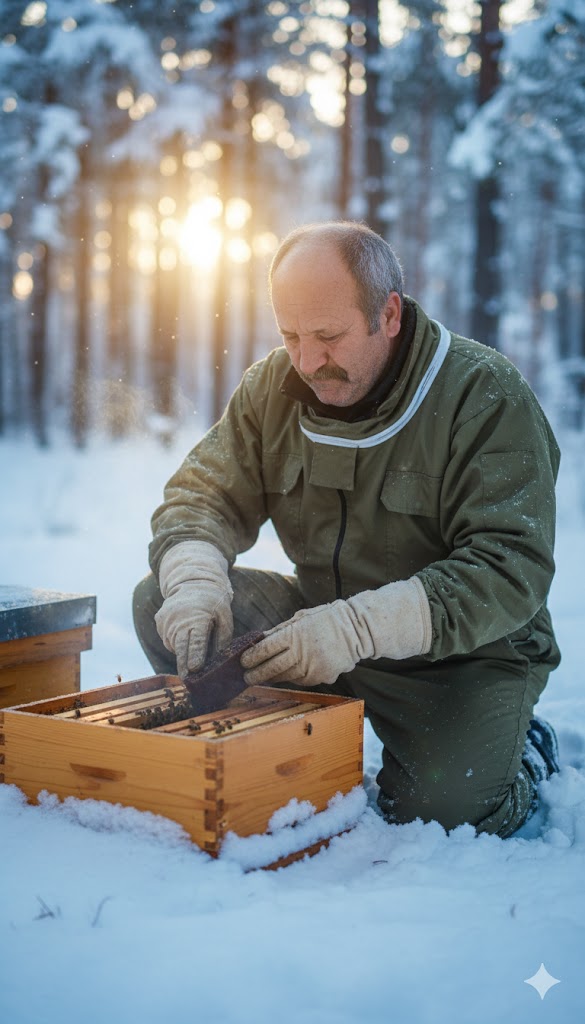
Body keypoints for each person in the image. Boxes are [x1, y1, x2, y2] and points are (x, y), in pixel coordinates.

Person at [133, 220, 561, 838]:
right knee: (161, 602)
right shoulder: (271, 387)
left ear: (387, 315)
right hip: (319, 633)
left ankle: (524, 754)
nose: (306, 361)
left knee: (438, 812)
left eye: (328, 336)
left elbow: (509, 567)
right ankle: (293, 745)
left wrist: (359, 627)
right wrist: (196, 580)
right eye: (290, 335)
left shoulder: (483, 394)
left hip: (463, 654)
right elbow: (201, 495)